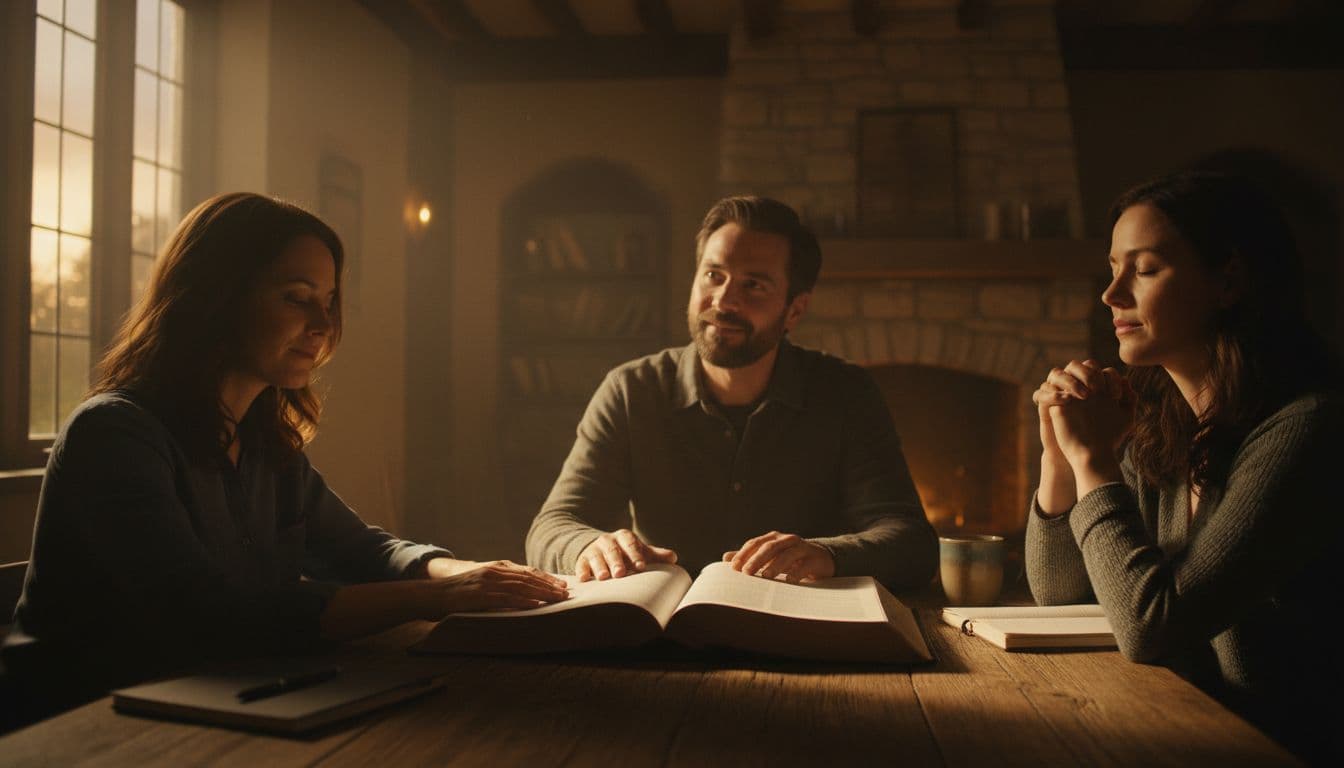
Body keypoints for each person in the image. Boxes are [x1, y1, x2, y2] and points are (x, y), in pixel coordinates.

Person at [3, 193, 567, 722]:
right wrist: (436, 595)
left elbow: (360, 549)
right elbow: (207, 619)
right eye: (297, 298)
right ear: (214, 298)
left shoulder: (266, 445)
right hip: (86, 724)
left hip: (225, 702)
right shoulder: (115, 434)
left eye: (328, 302)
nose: (323, 327)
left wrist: (472, 575)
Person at [1025, 172, 1341, 763]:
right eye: (1113, 267)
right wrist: (1059, 457)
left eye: (1143, 269)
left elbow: (1151, 627)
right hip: (1175, 735)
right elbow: (1060, 594)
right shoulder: (1168, 429)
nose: (1111, 293)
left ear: (1227, 280)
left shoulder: (1308, 430)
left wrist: (1094, 460)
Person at [525, 196, 937, 589]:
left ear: (794, 309)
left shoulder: (846, 393)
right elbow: (552, 527)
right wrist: (587, 545)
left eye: (753, 285)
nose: (723, 300)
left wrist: (826, 554)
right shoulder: (631, 390)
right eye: (713, 275)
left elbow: (912, 542)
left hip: (800, 630)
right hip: (665, 630)